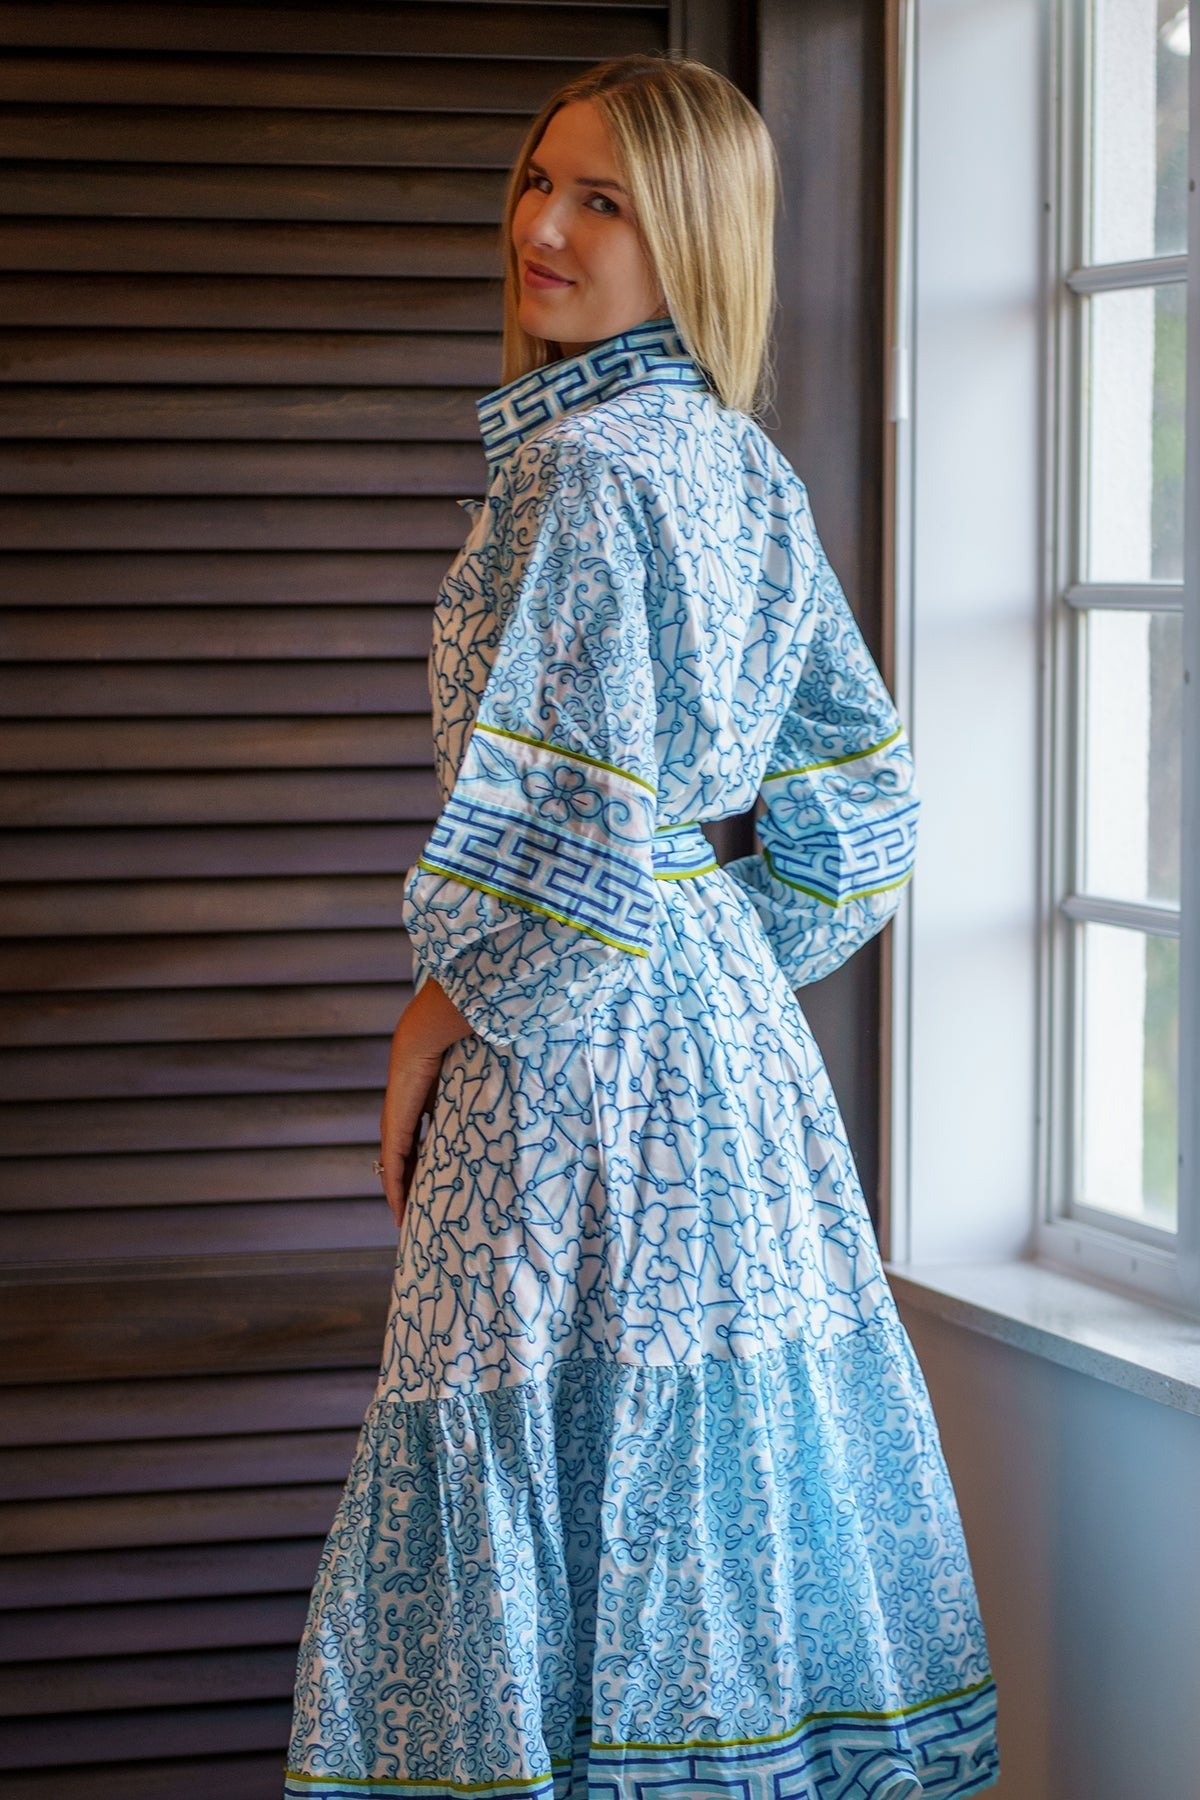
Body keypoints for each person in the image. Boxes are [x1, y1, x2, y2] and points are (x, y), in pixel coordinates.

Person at [285, 50, 999, 1800]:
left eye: (601, 200)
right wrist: (710, 950)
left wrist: (435, 1013)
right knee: (698, 1460)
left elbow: (572, 832)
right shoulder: (741, 467)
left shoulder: (586, 470)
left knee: (543, 1435)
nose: (542, 228)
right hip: (727, 1065)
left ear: (693, 237)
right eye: (538, 182)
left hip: (564, 1065)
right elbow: (860, 816)